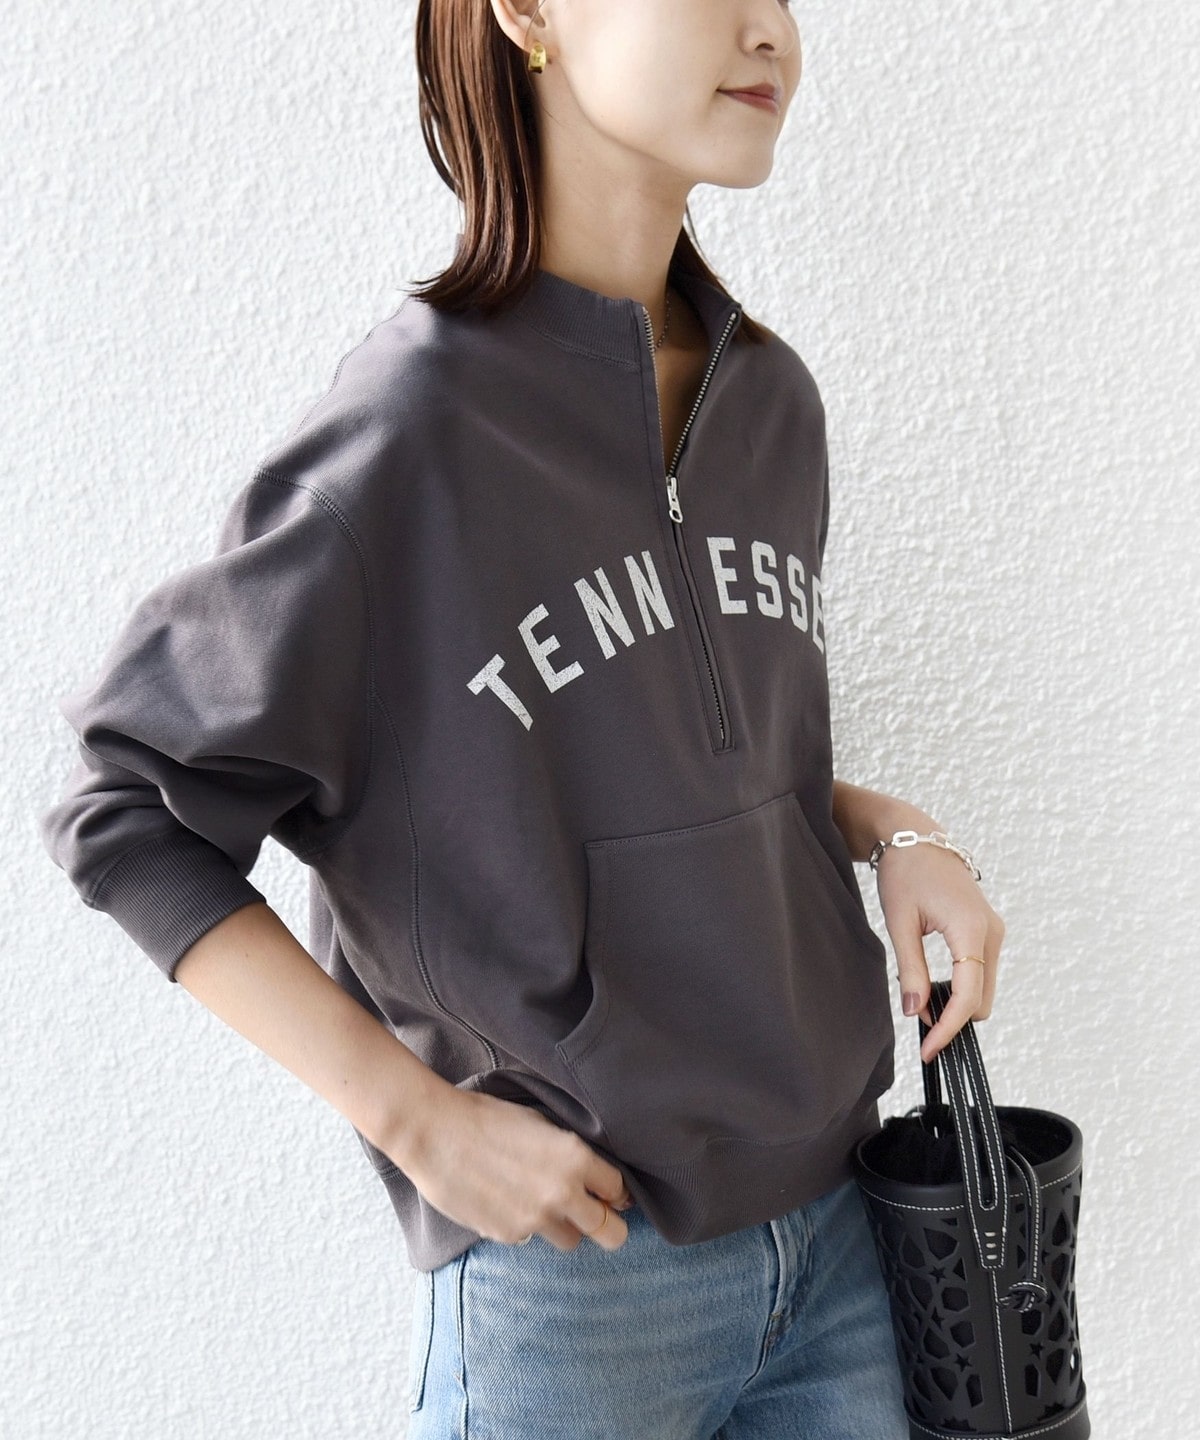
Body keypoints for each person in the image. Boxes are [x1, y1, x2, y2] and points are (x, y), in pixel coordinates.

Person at [38, 0, 1007, 1434]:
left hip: (844, 1239)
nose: (769, 29)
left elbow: (684, 759)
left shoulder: (771, 406)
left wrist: (896, 833)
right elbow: (125, 806)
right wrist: (417, 1121)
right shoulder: (412, 435)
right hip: (580, 1287)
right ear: (530, 11)